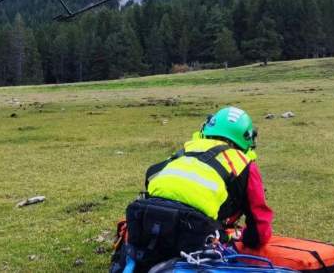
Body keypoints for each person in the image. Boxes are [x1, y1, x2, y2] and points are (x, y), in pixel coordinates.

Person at [112, 106, 272, 272]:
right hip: (196, 233)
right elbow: (260, 226)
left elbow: (152, 175)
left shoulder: (187, 149)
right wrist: (246, 238)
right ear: (247, 139)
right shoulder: (244, 164)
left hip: (147, 221)